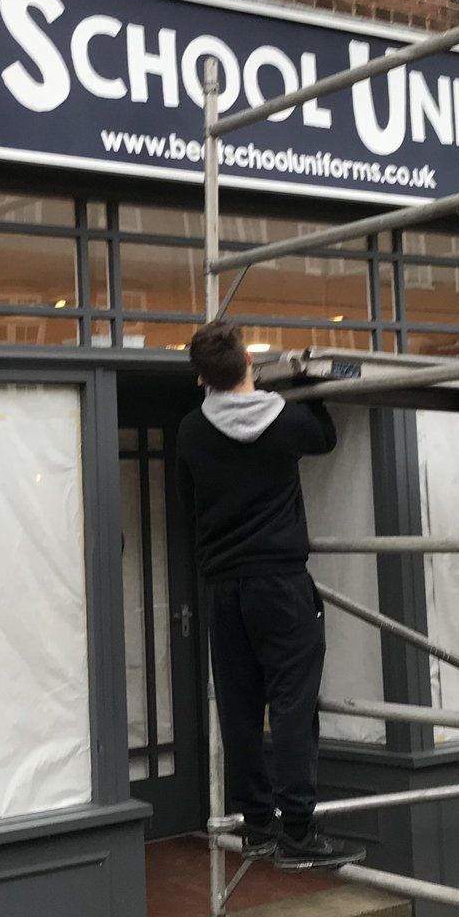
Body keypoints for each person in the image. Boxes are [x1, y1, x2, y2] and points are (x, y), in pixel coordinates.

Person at [175, 320, 365, 871]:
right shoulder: (284, 419)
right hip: (280, 583)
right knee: (292, 703)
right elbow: (325, 437)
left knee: (239, 707)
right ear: (248, 364)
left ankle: (257, 825)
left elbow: (190, 501)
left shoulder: (190, 430)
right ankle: (298, 830)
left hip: (224, 587)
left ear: (202, 379)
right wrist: (305, 389)